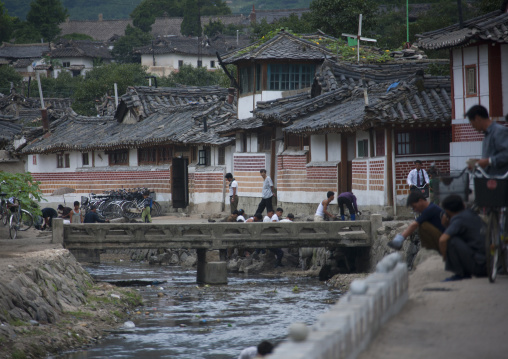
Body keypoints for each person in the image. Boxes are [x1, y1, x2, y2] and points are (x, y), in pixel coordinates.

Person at [438, 194, 487, 281]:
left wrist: (446, 257)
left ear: (447, 211)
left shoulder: (459, 219)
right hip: (488, 264)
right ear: (463, 205)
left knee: (451, 240)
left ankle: (460, 274)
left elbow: (442, 240)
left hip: (480, 267)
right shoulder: (470, 214)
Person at [466, 104, 508, 175]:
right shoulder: (487, 135)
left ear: (477, 118)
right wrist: (479, 163)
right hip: (490, 180)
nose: (473, 127)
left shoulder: (499, 131)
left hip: (502, 182)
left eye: (472, 123)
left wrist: (487, 161)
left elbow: (506, 154)